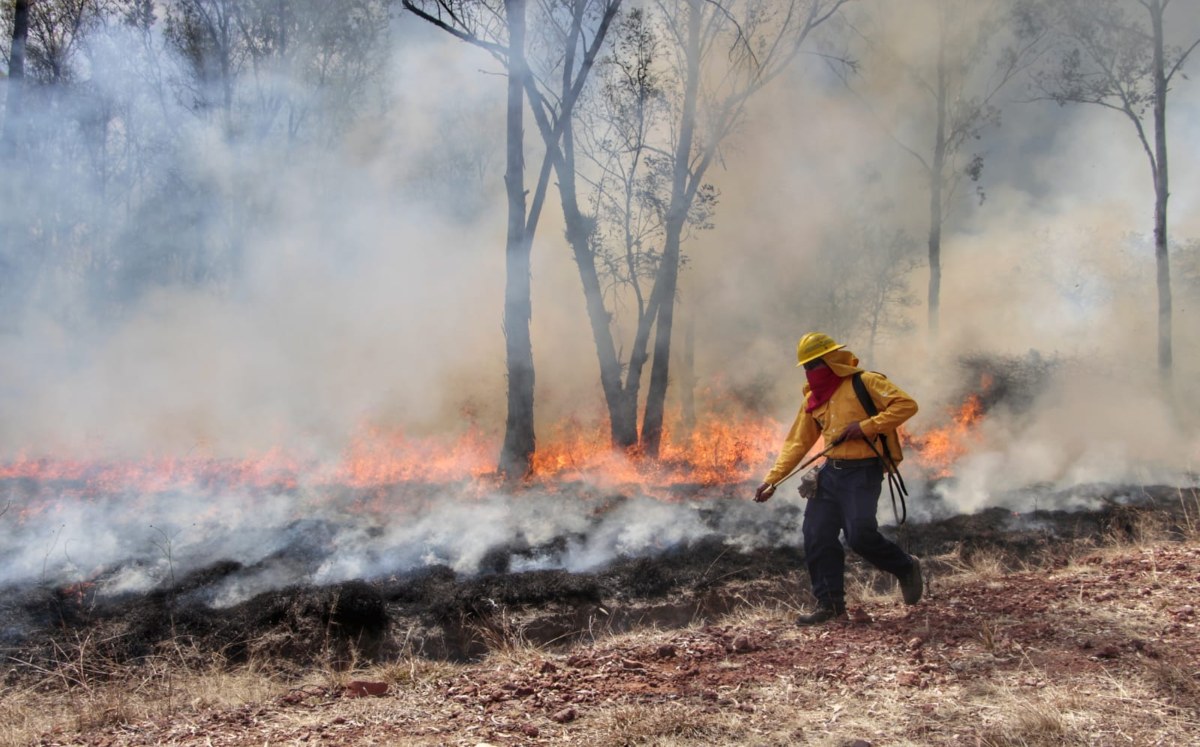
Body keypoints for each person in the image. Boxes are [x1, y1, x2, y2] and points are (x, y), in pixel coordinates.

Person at [754, 332, 923, 625]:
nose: (810, 372)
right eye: (806, 367)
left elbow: (906, 405)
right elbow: (797, 443)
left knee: (860, 536)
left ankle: (905, 567)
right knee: (817, 535)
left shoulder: (865, 382)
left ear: (831, 360)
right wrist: (772, 480)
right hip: (831, 473)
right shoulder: (814, 398)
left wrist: (867, 426)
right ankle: (830, 605)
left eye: (815, 364)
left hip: (863, 472)